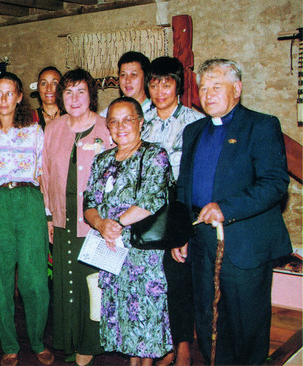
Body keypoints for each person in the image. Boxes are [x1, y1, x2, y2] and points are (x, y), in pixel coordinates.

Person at [174, 58, 292, 365]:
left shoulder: (261, 126)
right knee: (209, 321)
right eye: (203, 87)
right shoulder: (193, 131)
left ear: (236, 89)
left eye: (217, 86)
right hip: (201, 243)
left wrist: (226, 208)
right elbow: (184, 188)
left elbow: (275, 183)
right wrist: (182, 232)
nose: (208, 94)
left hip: (244, 245)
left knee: (247, 326)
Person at [0, 72, 53, 366]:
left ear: (19, 97)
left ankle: (39, 340)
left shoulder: (34, 132)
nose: (4, 99)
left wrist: (49, 216)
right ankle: (9, 344)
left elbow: (44, 175)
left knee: (34, 280)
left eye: (10, 93)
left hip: (29, 202)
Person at [84, 97, 174, 366]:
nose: (120, 126)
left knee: (144, 311)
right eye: (114, 121)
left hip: (142, 251)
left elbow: (152, 198)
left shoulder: (154, 155)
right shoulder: (102, 161)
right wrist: (102, 224)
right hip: (112, 248)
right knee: (123, 311)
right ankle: (132, 363)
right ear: (108, 126)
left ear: (140, 122)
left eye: (128, 119)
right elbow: (89, 202)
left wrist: (118, 224)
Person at [41, 68, 114, 366]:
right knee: (64, 281)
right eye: (68, 92)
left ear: (91, 95)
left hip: (94, 222)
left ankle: (88, 344)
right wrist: (48, 216)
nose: (74, 98)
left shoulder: (105, 127)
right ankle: (68, 339)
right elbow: (45, 174)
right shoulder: (53, 128)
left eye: (80, 91)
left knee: (90, 285)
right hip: (62, 218)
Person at [143, 56, 204, 366]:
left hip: (180, 203)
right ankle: (158, 343)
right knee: (152, 281)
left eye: (166, 83)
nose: (160, 91)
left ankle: (182, 346)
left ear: (178, 84)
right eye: (154, 84)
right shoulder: (141, 120)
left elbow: (197, 174)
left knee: (178, 280)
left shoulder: (195, 122)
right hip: (146, 209)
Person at [100, 51, 152, 124]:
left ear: (145, 78)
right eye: (123, 75)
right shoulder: (111, 111)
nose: (127, 80)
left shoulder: (153, 112)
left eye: (133, 75)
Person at [32, 66, 64, 130]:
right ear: (38, 88)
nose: (49, 89)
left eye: (54, 83)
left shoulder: (71, 116)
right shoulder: (30, 117)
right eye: (43, 83)